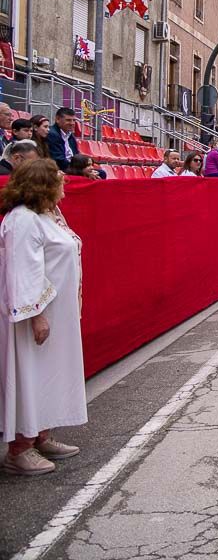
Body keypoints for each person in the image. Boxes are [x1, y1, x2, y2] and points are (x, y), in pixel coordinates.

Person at [0, 159, 87, 476]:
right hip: (34, 316)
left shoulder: (46, 215)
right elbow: (22, 269)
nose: (64, 184)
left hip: (56, 313)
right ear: (43, 185)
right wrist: (36, 315)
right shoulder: (23, 220)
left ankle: (41, 435)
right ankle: (19, 449)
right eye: (58, 179)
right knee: (30, 375)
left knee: (49, 372)